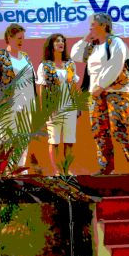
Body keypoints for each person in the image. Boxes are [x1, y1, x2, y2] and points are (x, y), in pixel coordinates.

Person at [70, 12, 129, 175]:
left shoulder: (116, 43)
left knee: (119, 127)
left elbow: (115, 66)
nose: (90, 28)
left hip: (118, 91)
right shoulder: (92, 46)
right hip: (96, 94)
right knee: (99, 129)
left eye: (93, 25)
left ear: (103, 26)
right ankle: (106, 166)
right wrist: (86, 38)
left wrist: (101, 86)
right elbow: (74, 55)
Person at [0, 23, 37, 168]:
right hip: (8, 106)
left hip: (27, 105)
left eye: (23, 38)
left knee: (24, 138)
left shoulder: (26, 57)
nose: (21, 41)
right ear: (9, 38)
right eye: (19, 38)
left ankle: (20, 169)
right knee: (8, 138)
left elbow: (32, 82)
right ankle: (7, 171)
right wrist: (1, 96)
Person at [36, 33, 80, 175]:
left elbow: (73, 86)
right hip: (53, 107)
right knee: (54, 141)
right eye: (57, 41)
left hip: (69, 106)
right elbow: (42, 88)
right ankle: (56, 171)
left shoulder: (70, 64)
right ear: (51, 45)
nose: (61, 43)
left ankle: (67, 170)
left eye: (62, 41)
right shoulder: (44, 65)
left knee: (69, 140)